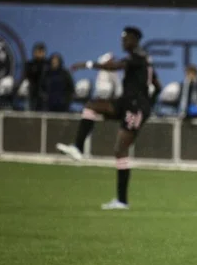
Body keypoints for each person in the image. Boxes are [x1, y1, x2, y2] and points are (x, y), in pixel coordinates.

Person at [56, 26, 153, 210]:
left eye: (126, 39)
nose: (123, 43)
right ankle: (78, 147)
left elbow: (115, 66)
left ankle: (122, 201)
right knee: (91, 106)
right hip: (126, 102)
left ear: (134, 40)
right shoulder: (142, 58)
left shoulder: (138, 56)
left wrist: (88, 64)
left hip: (135, 107)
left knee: (120, 150)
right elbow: (155, 82)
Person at [24, 42, 48, 111]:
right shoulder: (30, 64)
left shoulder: (48, 65)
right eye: (37, 51)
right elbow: (27, 76)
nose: (39, 53)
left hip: (44, 93)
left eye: (41, 51)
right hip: (32, 92)